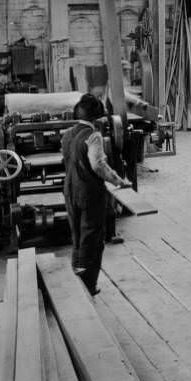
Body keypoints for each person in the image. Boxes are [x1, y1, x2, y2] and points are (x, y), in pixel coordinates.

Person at [61, 93, 132, 296]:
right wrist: (117, 180)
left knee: (77, 236)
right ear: (97, 117)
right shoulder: (94, 136)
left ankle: (76, 280)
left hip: (70, 190)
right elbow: (98, 164)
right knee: (91, 239)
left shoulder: (67, 134)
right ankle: (88, 286)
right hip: (89, 193)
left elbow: (67, 159)